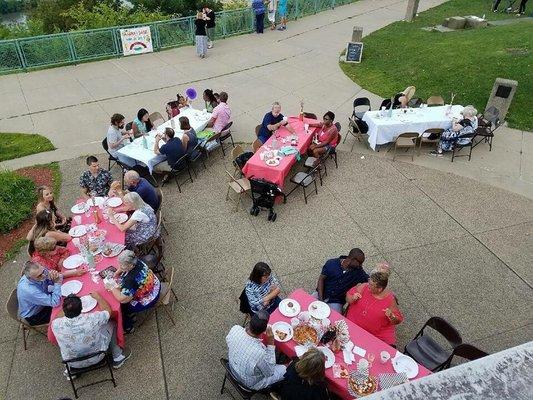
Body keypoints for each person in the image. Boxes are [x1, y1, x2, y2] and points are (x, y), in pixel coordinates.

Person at [52, 293, 131, 371]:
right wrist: (98, 297)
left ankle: (70, 371)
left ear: (64, 310)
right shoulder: (92, 319)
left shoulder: (56, 324)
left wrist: (69, 304)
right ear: (81, 308)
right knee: (112, 322)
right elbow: (108, 312)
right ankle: (117, 356)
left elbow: (57, 317)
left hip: (71, 363)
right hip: (97, 356)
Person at [226, 310, 286, 391]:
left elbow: (229, 342)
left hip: (231, 368)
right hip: (248, 384)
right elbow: (269, 372)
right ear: (264, 331)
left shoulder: (235, 329)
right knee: (286, 368)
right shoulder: (260, 354)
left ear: (250, 322)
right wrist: (271, 343)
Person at [345, 265, 404, 347]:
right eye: (369, 283)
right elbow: (348, 297)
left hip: (376, 334)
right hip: (353, 325)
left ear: (379, 289)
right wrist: (353, 298)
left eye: (371, 285)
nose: (368, 286)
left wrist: (391, 316)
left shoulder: (390, 299)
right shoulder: (364, 287)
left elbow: (398, 320)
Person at [108, 250, 161, 333]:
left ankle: (128, 327)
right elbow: (124, 267)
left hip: (150, 297)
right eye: (120, 265)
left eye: (123, 266)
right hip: (155, 285)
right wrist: (118, 272)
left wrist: (111, 288)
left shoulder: (130, 279)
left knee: (120, 307)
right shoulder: (137, 261)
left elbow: (122, 299)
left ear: (131, 265)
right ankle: (131, 316)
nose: (120, 267)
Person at [314, 248, 368, 313]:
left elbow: (370, 280)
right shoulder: (331, 263)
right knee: (307, 307)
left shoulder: (359, 272)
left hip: (336, 302)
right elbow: (321, 279)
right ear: (353, 259)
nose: (360, 265)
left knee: (334, 320)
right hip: (321, 294)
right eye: (359, 263)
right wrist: (320, 299)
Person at [17, 261, 62, 325]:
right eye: (39, 276)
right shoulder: (30, 290)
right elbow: (55, 302)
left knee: (66, 299)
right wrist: (57, 282)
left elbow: (57, 277)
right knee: (65, 311)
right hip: (35, 315)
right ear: (30, 278)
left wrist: (55, 275)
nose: (44, 275)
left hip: (42, 302)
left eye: (43, 271)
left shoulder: (40, 271)